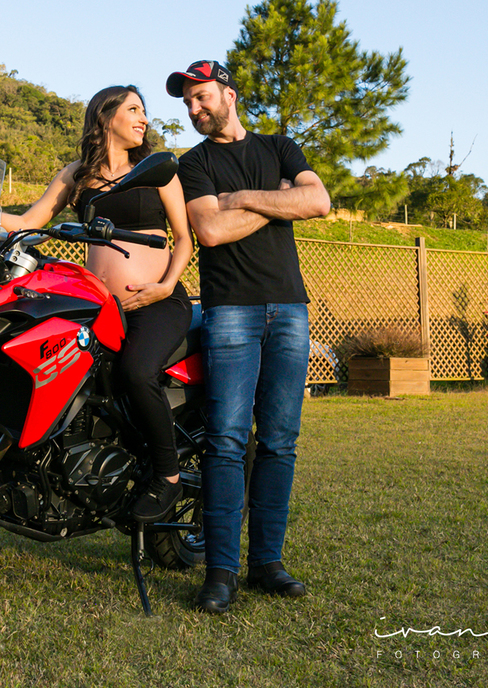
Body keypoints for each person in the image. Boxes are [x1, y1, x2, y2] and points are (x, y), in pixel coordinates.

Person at [166, 60, 331, 613]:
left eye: (202, 97)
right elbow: (211, 230)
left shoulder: (280, 147)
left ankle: (267, 563)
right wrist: (276, 200)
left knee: (280, 440)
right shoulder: (193, 164)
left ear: (229, 94)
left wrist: (241, 198)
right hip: (230, 310)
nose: (195, 109)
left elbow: (319, 202)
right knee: (226, 440)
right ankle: (220, 573)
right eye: (188, 103)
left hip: (289, 310)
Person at [0, 85, 194, 522]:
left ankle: (168, 476)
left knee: (136, 371)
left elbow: (184, 239)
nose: (144, 119)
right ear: (105, 117)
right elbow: (29, 221)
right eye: (134, 109)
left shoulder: (157, 169)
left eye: (144, 111)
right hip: (102, 308)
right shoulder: (78, 174)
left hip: (158, 302)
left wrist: (166, 285)